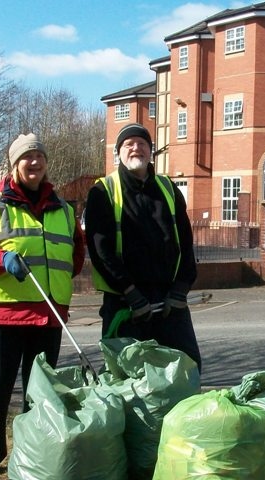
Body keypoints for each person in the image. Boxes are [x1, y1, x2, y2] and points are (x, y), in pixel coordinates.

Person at [0, 133, 86, 476]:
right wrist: (2, 259)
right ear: (15, 164)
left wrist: (63, 273)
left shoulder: (62, 208)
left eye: (39, 157)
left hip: (48, 314)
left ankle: (34, 449)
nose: (34, 163)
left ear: (46, 164)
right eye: (26, 158)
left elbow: (77, 248)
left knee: (41, 391)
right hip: (2, 314)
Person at [85, 122, 202, 371]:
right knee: (126, 381)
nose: (136, 148)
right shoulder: (102, 191)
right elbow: (100, 251)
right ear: (119, 152)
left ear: (150, 151)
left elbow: (185, 242)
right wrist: (131, 293)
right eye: (129, 144)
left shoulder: (168, 188)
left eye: (142, 144)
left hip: (170, 303)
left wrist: (181, 288)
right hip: (126, 305)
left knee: (186, 372)